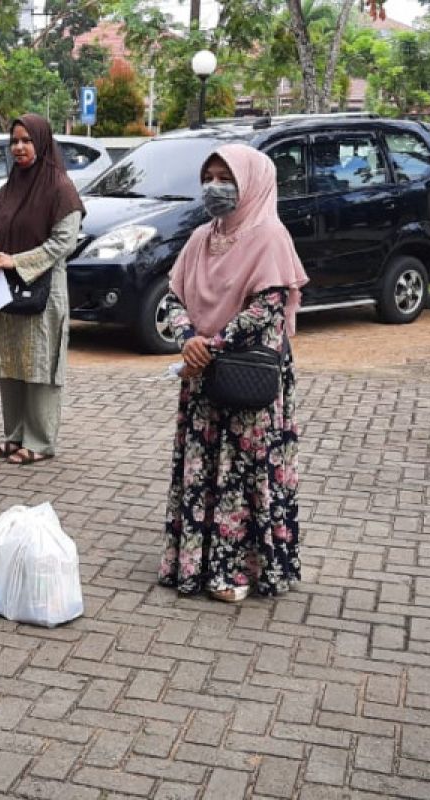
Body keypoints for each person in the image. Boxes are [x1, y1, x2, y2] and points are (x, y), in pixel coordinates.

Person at [157, 143, 308, 603]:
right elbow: (171, 298)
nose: (215, 188)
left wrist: (211, 344)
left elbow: (268, 308)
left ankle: (238, 572)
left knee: (244, 473)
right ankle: (196, 565)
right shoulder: (202, 237)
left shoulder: (270, 237)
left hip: (247, 378)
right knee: (204, 468)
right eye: (210, 177)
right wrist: (188, 338)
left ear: (252, 183)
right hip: (203, 374)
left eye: (227, 179)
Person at [0, 113, 84, 465]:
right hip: (7, 288)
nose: (19, 147)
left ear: (42, 142)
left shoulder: (61, 189)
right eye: (14, 141)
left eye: (26, 140)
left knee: (39, 366)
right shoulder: (7, 189)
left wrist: (17, 261)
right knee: (11, 362)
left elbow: (62, 244)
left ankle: (39, 441)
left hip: (44, 292)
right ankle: (14, 435)